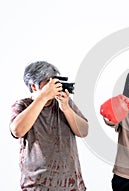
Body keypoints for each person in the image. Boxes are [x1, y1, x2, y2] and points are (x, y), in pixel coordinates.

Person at [9, 61, 89, 190]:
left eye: (54, 82)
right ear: (34, 86)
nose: (53, 87)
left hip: (71, 184)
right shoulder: (23, 105)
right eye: (48, 84)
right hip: (37, 185)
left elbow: (84, 131)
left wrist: (66, 108)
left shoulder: (63, 103)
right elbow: (17, 131)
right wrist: (43, 97)